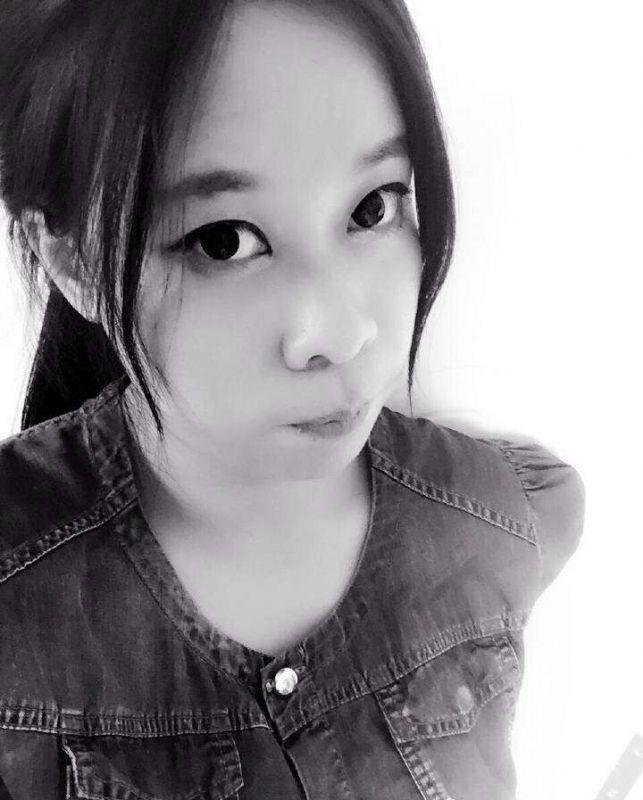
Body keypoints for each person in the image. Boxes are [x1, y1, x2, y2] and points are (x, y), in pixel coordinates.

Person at [0, 1, 585, 798]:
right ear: (71, 259)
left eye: (373, 207)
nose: (342, 332)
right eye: (223, 241)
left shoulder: (496, 514)